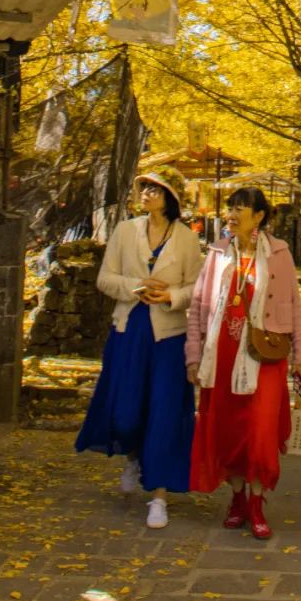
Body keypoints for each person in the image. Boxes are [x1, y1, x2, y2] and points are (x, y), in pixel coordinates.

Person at [76, 172, 203, 528]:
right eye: (143, 188)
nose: (146, 193)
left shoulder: (186, 239)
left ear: (170, 197)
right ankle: (133, 453)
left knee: (164, 413)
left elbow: (197, 286)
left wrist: (171, 296)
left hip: (169, 335)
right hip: (129, 329)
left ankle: (159, 496)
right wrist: (137, 286)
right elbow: (105, 278)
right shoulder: (125, 231)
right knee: (126, 412)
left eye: (155, 189)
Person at [186, 186, 301, 540]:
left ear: (259, 216)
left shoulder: (280, 254)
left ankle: (257, 501)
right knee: (229, 429)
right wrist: (193, 355)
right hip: (221, 352)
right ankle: (237, 497)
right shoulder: (217, 252)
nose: (233, 214)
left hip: (264, 354)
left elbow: (292, 308)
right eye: (231, 207)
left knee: (259, 430)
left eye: (242, 208)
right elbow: (198, 307)